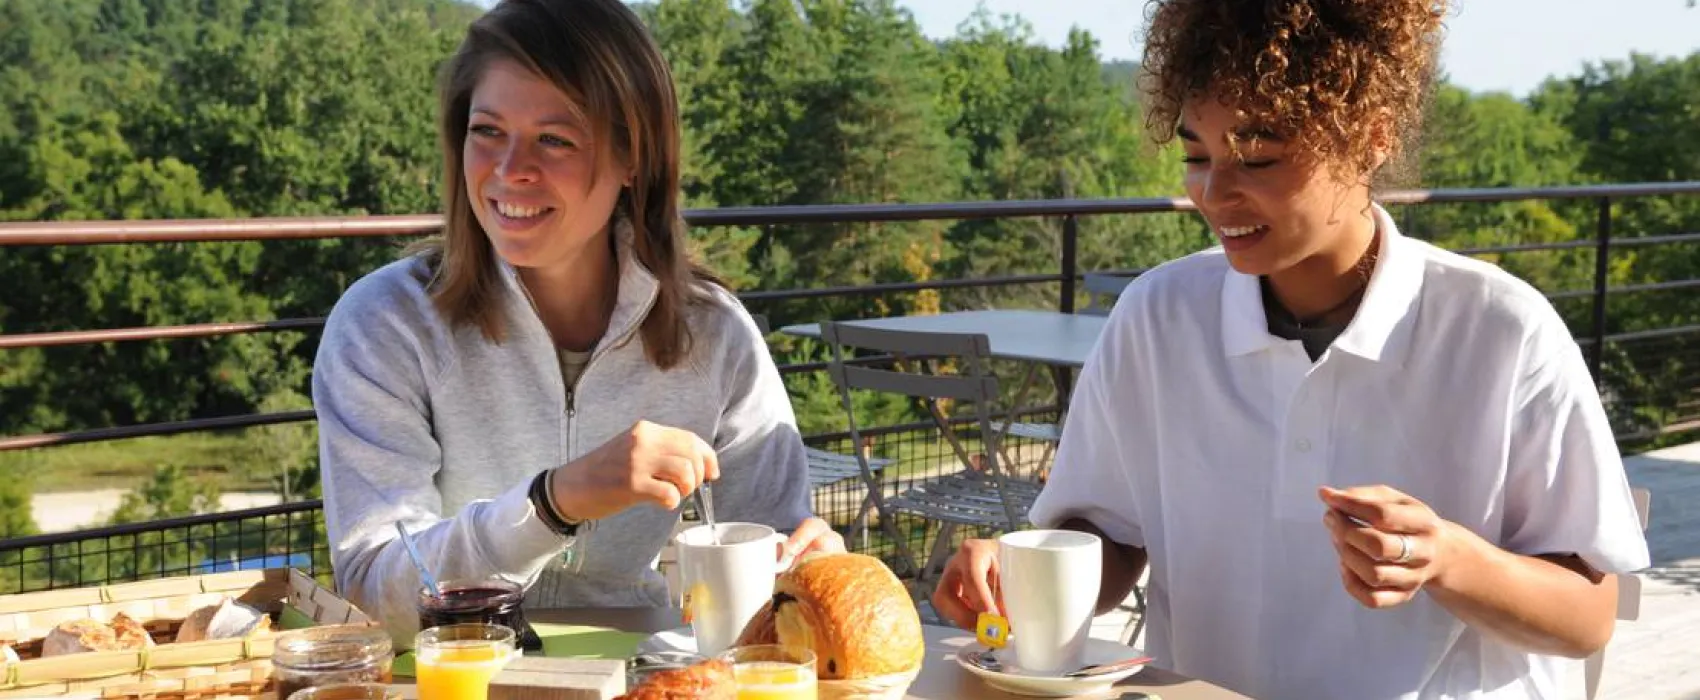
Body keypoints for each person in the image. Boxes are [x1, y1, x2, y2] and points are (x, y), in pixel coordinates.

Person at [932, 0, 1650, 697]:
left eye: (1258, 157)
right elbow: (1107, 532)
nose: (1214, 193)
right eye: (1196, 154)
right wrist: (1025, 575)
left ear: (1371, 137)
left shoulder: (1500, 330)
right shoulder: (1157, 317)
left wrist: (1448, 558)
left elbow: (1588, 615)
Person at [313, 0, 842, 645]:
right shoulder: (385, 323)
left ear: (633, 158)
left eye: (555, 139)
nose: (510, 169)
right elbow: (375, 593)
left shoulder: (715, 335)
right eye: (488, 131)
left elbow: (773, 550)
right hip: (456, 671)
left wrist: (806, 568)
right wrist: (551, 504)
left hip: (647, 671)